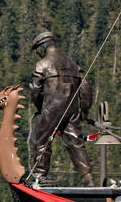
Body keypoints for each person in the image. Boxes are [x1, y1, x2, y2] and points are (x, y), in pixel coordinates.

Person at [27, 31, 94, 186]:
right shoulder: (72, 63)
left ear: (43, 46)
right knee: (75, 141)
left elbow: (35, 91)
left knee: (39, 138)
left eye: (38, 49)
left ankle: (40, 175)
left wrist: (39, 108)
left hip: (53, 107)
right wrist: (84, 109)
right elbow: (85, 87)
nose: (38, 53)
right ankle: (88, 177)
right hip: (72, 109)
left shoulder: (42, 64)